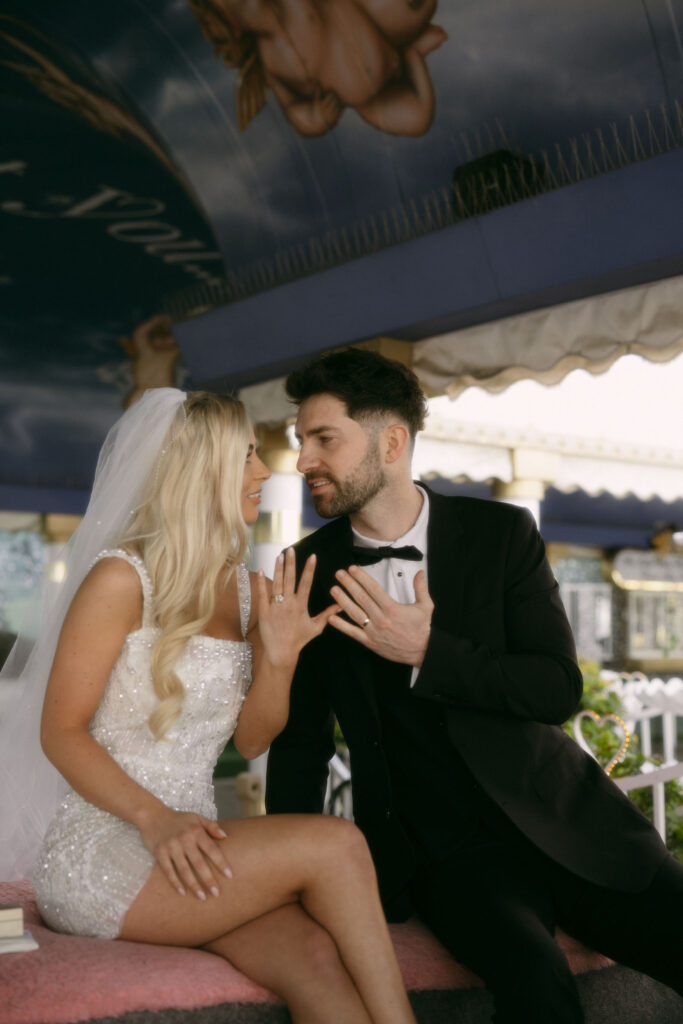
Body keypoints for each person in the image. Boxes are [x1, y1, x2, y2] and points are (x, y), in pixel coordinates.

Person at [265, 348, 683, 1022]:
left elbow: (554, 688)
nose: (307, 457)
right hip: (442, 856)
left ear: (391, 442)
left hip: (564, 819)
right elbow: (298, 742)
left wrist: (431, 653)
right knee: (537, 988)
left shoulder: (501, 533)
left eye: (324, 439)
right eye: (301, 441)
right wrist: (283, 874)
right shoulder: (306, 568)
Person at [0, 388, 417, 1024]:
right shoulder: (120, 579)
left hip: (196, 844)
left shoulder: (249, 593)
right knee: (337, 844)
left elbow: (252, 741)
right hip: (106, 852)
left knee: (314, 960)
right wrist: (156, 820)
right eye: (246, 454)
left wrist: (278, 661)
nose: (264, 471)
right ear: (203, 470)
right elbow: (61, 732)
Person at [188, 0, 447, 136]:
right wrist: (317, 118)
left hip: (379, 27)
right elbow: (291, 108)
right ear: (232, 26)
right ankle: (412, 56)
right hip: (374, 98)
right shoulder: (272, 62)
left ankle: (406, 48)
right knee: (417, 118)